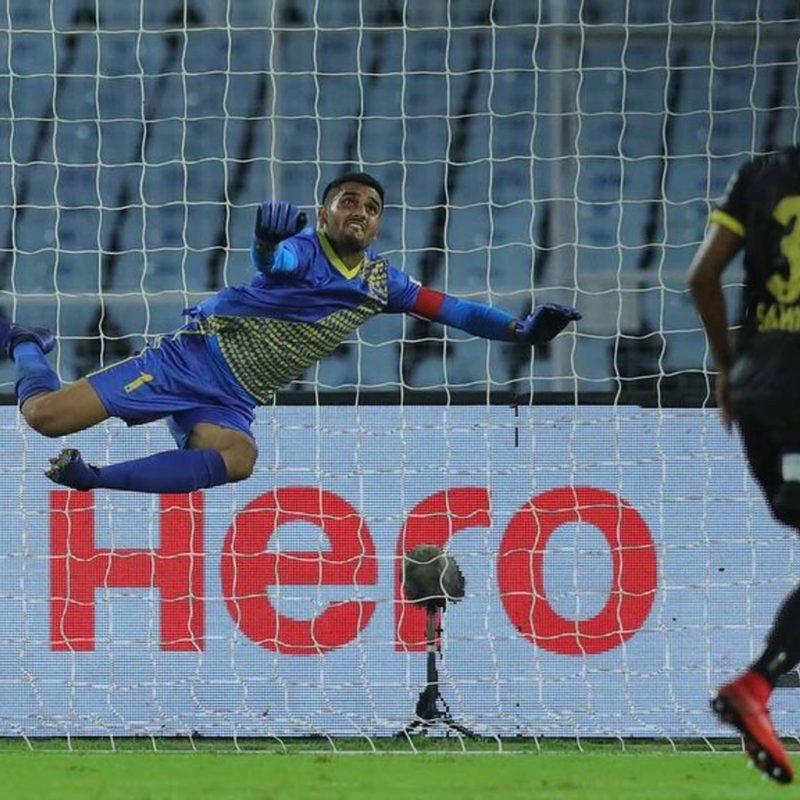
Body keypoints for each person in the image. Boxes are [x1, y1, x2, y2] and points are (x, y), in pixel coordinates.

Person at [1, 171, 580, 495]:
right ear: (324, 214)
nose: (360, 210)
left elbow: (456, 310)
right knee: (45, 417)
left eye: (371, 206)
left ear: (378, 224)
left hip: (233, 397)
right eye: (347, 201)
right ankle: (24, 343)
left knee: (238, 457)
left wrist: (520, 332)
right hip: (192, 361)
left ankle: (94, 478)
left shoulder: (384, 283)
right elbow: (272, 266)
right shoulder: (304, 249)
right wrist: (265, 242)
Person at [689, 146, 800, 784]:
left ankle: (755, 687)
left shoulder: (760, 175)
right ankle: (755, 685)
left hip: (758, 395)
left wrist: (729, 368)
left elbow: (703, 277)